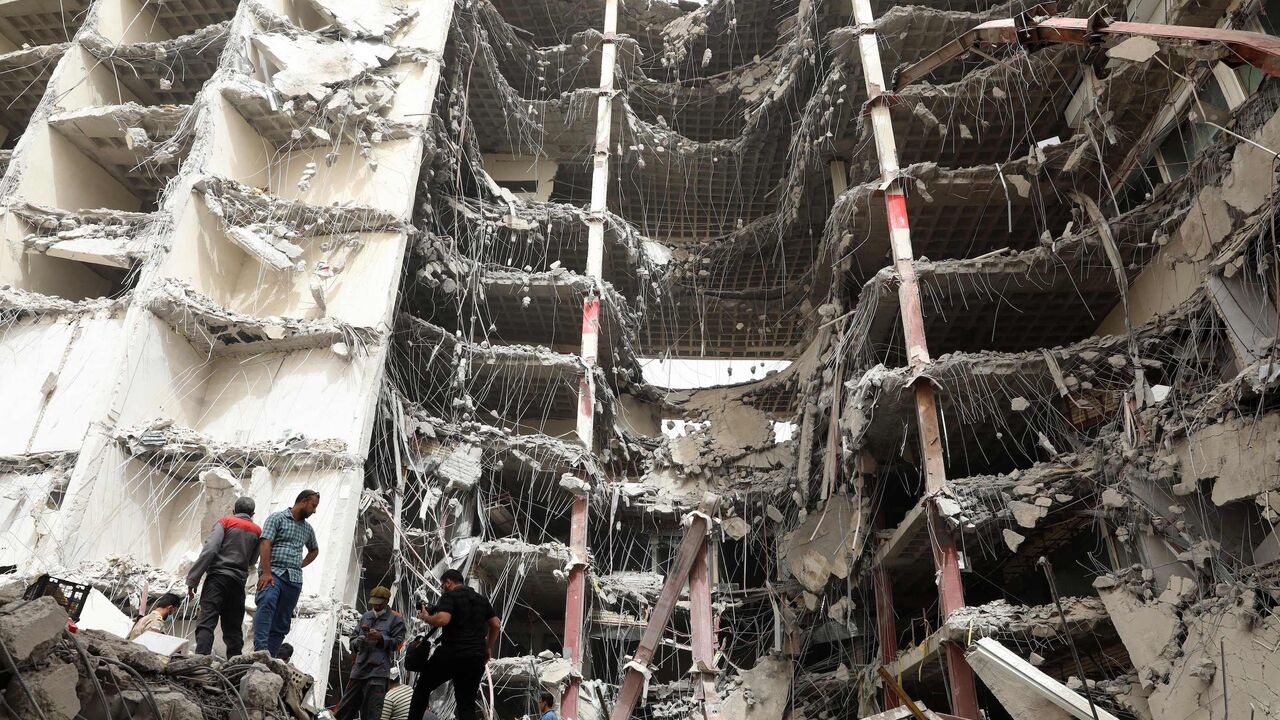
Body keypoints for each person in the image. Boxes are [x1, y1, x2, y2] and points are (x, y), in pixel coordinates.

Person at [407, 569, 500, 720]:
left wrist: (426, 617)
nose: (442, 588)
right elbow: (495, 625)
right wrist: (487, 647)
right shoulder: (481, 600)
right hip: (475, 658)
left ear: (448, 582)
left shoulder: (449, 596)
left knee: (422, 689)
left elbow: (443, 620)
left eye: (442, 585)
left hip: (451, 654)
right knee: (466, 704)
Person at [188, 496, 261, 657]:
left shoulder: (225, 522)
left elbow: (210, 549)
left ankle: (201, 661)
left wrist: (193, 578)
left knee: (207, 620)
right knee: (233, 628)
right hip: (238, 583)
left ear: (234, 510)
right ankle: (235, 668)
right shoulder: (257, 531)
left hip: (217, 578)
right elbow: (253, 560)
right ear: (252, 513)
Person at [254, 490, 321, 656]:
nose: (314, 511)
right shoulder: (277, 518)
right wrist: (266, 572)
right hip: (273, 573)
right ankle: (261, 652)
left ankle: (271, 657)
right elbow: (265, 543)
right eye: (313, 506)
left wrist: (301, 564)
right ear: (304, 501)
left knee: (282, 620)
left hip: (294, 579)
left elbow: (314, 550)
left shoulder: (308, 529)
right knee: (267, 603)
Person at [335, 586, 406, 719]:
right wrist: (359, 640)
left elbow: (397, 644)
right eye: (374, 603)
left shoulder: (396, 619)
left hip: (378, 672)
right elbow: (352, 641)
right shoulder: (366, 616)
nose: (376, 606)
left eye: (379, 603)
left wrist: (381, 638)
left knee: (372, 712)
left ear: (386, 602)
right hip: (359, 670)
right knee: (345, 709)